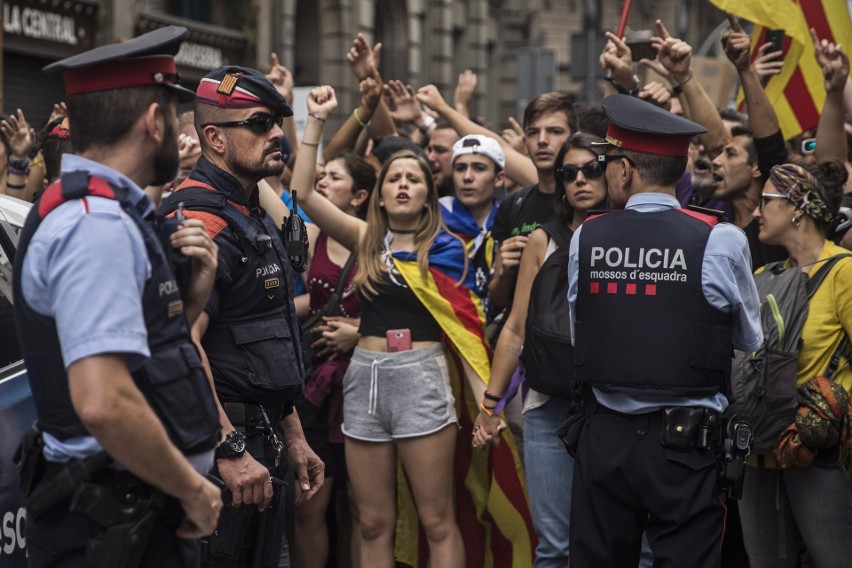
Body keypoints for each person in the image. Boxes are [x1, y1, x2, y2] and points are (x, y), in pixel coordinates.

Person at [286, 84, 534, 568]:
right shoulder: (365, 239)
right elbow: (301, 196)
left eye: (414, 179)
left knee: (436, 519)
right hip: (364, 381)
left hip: (421, 381)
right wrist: (314, 121)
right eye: (394, 177)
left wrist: (488, 406)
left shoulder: (448, 251)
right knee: (372, 521)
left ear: (428, 194)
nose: (402, 184)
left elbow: (464, 341)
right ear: (378, 195)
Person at [12, 26, 223, 566]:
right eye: (174, 120)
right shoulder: (94, 225)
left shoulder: (107, 212)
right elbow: (103, 400)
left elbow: (142, 357)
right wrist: (193, 491)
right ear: (154, 122)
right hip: (114, 521)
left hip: (125, 513)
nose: (179, 134)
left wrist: (191, 298)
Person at [566, 94, 762, 567]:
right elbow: (750, 340)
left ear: (626, 170)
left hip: (604, 438)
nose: (604, 172)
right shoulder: (720, 238)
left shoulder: (586, 236)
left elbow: (582, 334)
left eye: (607, 162)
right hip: (685, 448)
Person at [159, 65, 324, 568]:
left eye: (277, 121)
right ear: (213, 138)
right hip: (223, 453)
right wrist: (228, 448)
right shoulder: (201, 223)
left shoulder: (249, 211)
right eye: (259, 123)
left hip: (263, 445)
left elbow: (264, 336)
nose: (276, 134)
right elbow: (181, 346)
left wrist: (293, 435)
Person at [474, 133, 607, 567]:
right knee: (553, 545)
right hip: (548, 401)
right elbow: (515, 327)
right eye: (569, 174)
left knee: (624, 540)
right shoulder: (542, 239)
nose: (580, 181)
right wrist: (490, 404)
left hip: (616, 406)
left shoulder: (630, 236)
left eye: (591, 169)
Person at [739, 161, 852, 568]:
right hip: (758, 453)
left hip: (817, 452)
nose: (756, 212)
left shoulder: (844, 271)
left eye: (765, 201)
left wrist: (829, 410)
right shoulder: (763, 275)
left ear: (797, 207)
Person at [291, 151, 374, 568]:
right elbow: (292, 192)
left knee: (363, 511)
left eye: (334, 177)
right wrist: (311, 123)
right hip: (315, 390)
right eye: (321, 174)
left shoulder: (376, 241)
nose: (323, 181)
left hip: (365, 387)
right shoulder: (309, 235)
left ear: (360, 196)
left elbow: (415, 316)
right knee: (308, 506)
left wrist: (359, 332)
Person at [440, 134, 504, 297]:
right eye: (460, 168)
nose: (467, 177)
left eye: (479, 168)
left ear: (498, 178)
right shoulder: (435, 216)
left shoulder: (509, 220)